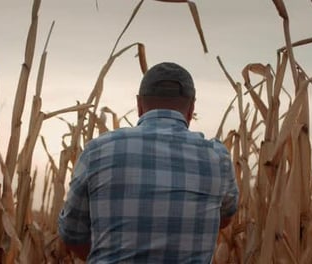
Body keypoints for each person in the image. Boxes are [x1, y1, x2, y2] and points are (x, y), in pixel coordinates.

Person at [58, 62, 239, 263]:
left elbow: (72, 234)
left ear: (139, 104)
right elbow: (225, 217)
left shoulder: (97, 151)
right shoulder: (217, 157)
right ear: (191, 108)